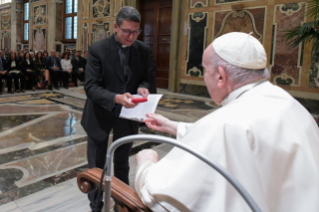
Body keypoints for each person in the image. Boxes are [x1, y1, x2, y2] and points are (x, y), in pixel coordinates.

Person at [135, 32, 319, 212]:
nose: (205, 76)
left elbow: (163, 199)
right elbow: (239, 138)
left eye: (205, 70)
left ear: (220, 76)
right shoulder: (288, 103)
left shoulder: (225, 123)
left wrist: (146, 164)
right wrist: (171, 126)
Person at [81, 6, 154, 212]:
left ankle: (123, 204)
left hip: (128, 115)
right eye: (126, 31)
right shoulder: (97, 49)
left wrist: (143, 88)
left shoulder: (143, 50)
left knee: (122, 162)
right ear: (115, 27)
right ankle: (96, 204)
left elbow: (147, 78)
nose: (131, 36)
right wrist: (117, 98)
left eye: (135, 31)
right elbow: (91, 87)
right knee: (96, 166)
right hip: (99, 114)